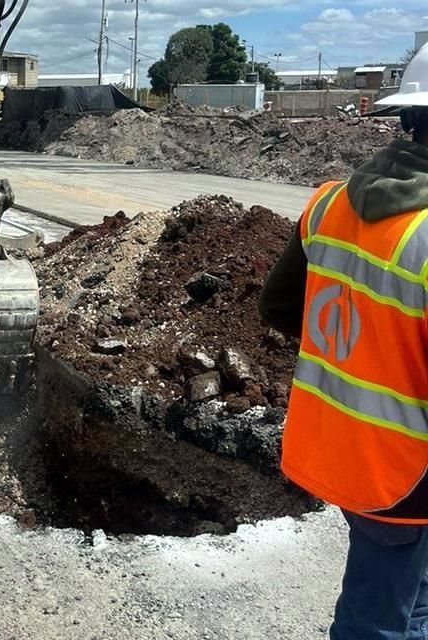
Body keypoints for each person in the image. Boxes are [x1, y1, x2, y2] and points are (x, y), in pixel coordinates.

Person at [260, 44, 428, 640]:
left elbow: (279, 307)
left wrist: (368, 351)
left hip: (346, 449)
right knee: (380, 619)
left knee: (402, 600)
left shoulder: (329, 202)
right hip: (409, 475)